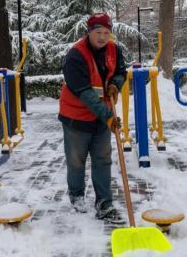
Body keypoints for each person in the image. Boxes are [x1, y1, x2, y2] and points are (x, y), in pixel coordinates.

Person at [58, 13, 127, 224]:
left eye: (107, 32)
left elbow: (121, 71)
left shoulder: (115, 50)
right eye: (98, 32)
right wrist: (108, 116)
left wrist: (116, 83)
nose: (103, 37)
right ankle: (77, 196)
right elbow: (86, 93)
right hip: (76, 117)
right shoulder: (75, 56)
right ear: (89, 32)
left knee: (103, 159)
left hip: (101, 117)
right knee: (76, 161)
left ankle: (104, 203)